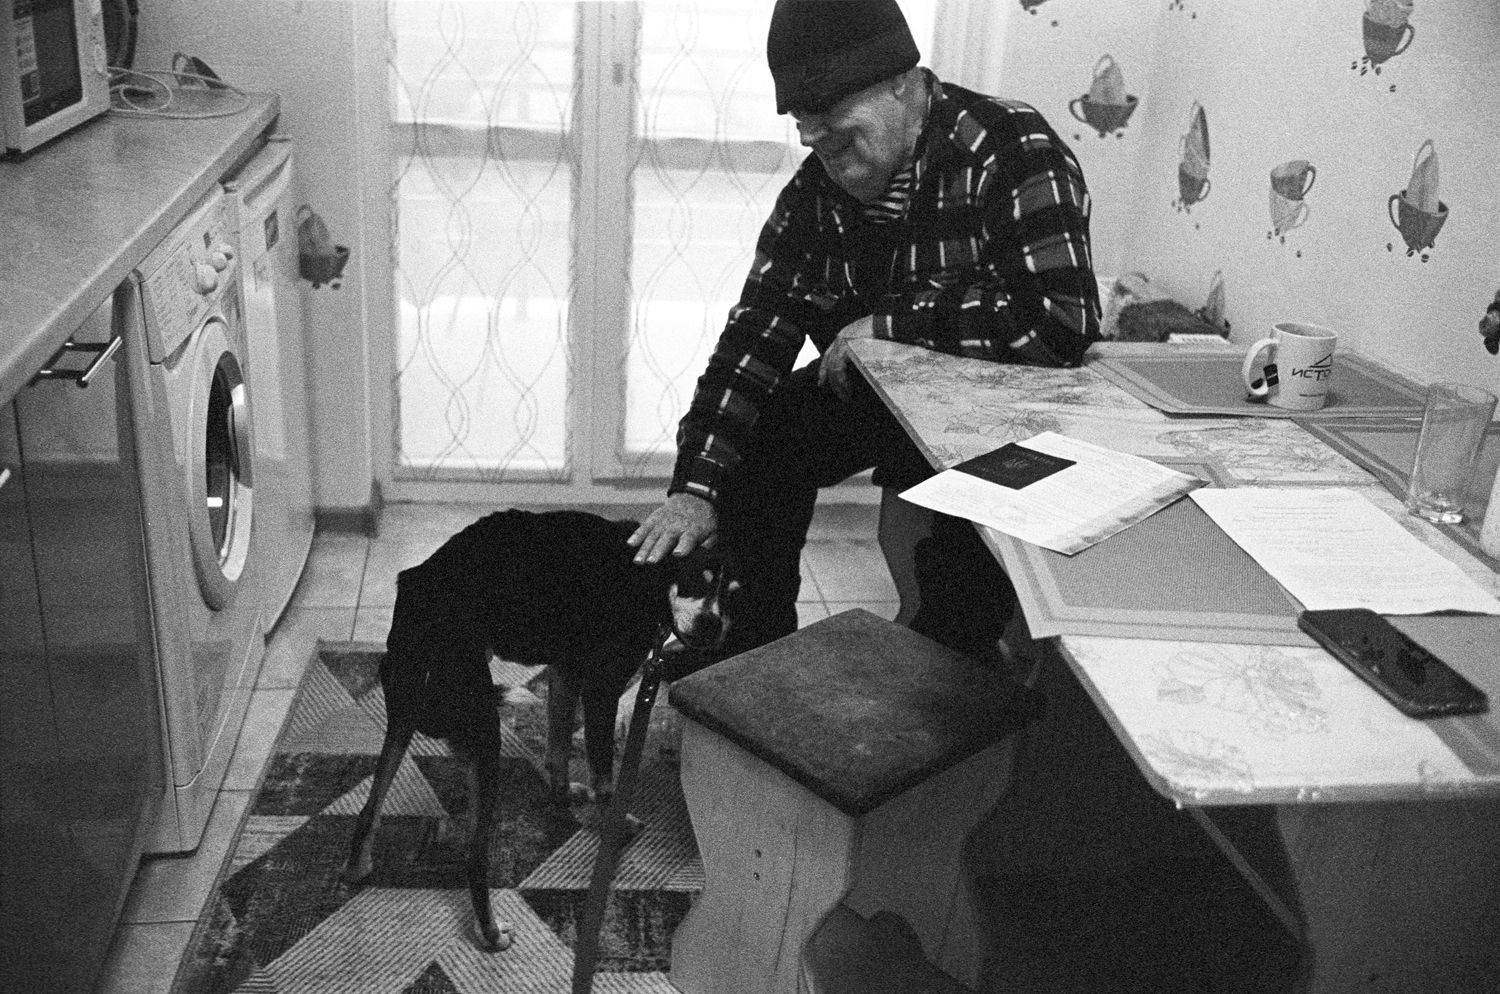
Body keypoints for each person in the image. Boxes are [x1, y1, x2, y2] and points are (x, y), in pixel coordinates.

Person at [629, 0, 1100, 661]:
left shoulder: (1013, 150)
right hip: (879, 399)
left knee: (958, 595)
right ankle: (754, 649)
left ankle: (950, 669)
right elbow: (754, 340)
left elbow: (1061, 321)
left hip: (998, 413)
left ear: (903, 83)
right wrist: (695, 490)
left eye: (839, 127)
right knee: (758, 442)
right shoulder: (813, 194)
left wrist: (891, 326)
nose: (824, 151)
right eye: (809, 130)